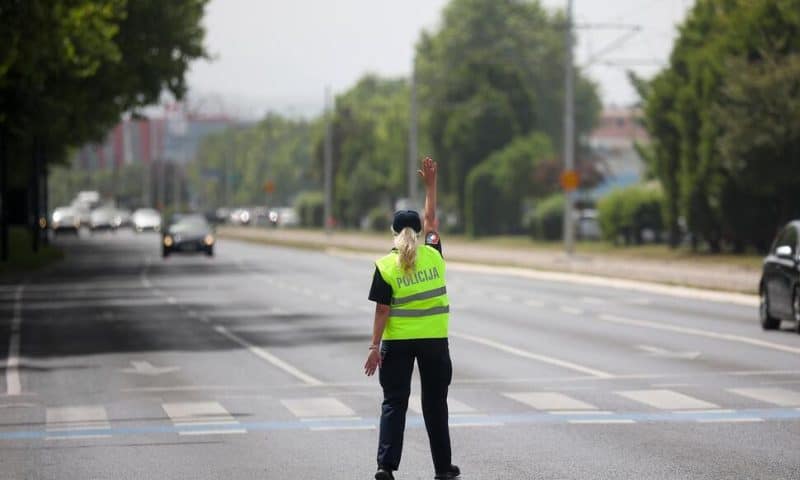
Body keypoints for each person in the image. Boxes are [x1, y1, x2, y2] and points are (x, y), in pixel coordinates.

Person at [364, 157, 460, 480]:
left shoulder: (386, 266)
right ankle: (443, 469)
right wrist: (431, 185)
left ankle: (385, 467)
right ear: (419, 233)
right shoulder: (433, 253)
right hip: (434, 341)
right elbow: (432, 217)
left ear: (393, 233)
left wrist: (374, 347)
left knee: (394, 403)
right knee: (436, 405)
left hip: (398, 343)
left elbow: (382, 310)